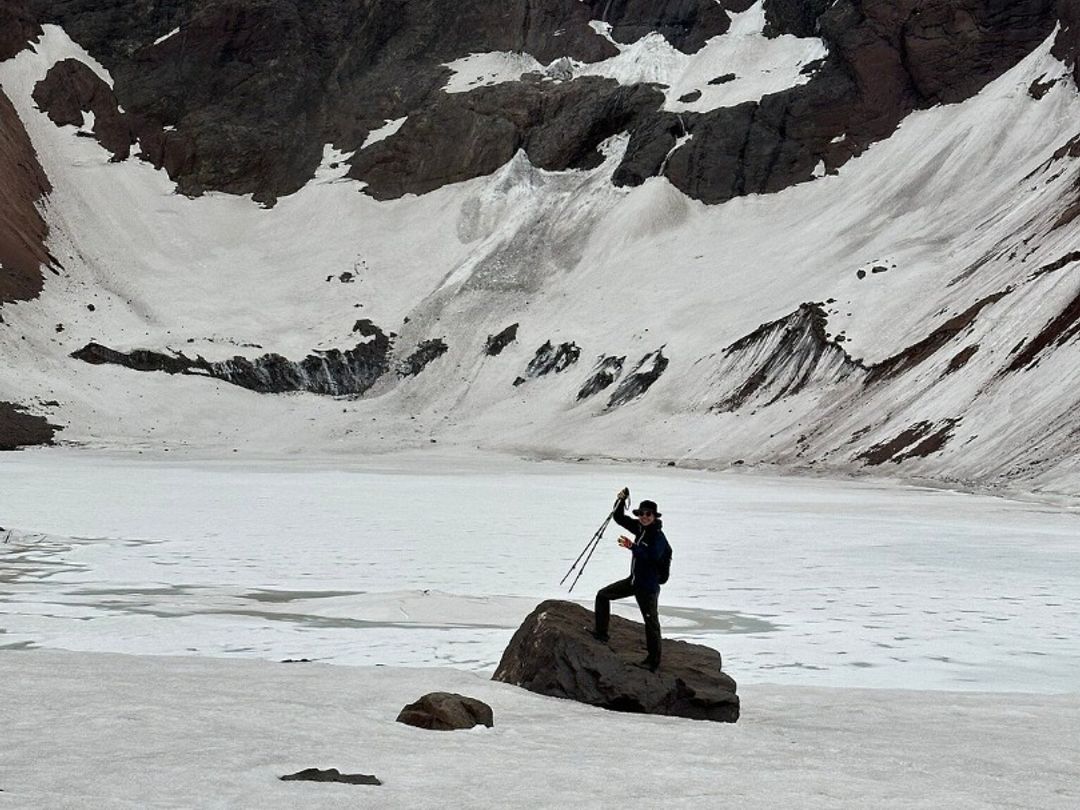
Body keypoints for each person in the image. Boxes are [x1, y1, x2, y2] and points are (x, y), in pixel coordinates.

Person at [592, 487, 670, 672]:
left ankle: (653, 662)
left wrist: (632, 547)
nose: (644, 517)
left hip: (648, 587)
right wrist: (620, 500)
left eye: (648, 514)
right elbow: (619, 518)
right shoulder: (640, 528)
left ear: (655, 516)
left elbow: (652, 556)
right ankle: (601, 634)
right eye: (642, 513)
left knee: (651, 623)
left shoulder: (658, 537)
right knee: (602, 596)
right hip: (634, 581)